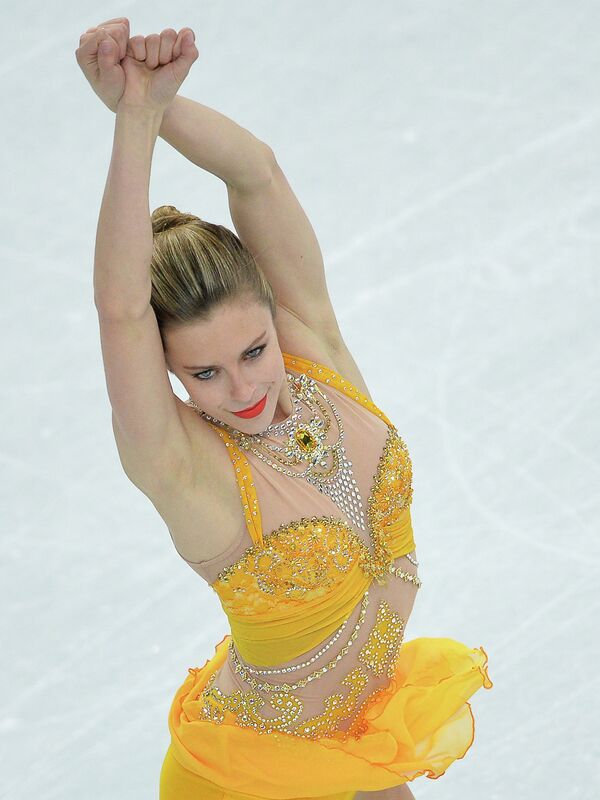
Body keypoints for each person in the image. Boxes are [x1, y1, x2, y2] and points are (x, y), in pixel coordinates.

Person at [75, 18, 493, 800]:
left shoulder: (314, 350)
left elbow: (257, 176)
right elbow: (121, 308)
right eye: (203, 372)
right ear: (167, 371)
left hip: (353, 744)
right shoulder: (184, 467)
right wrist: (133, 126)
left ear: (274, 313)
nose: (245, 390)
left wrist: (158, 101)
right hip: (250, 779)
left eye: (254, 350)